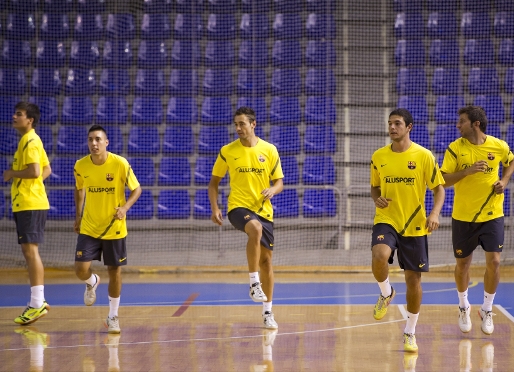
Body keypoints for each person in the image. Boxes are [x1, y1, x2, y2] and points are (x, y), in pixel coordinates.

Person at [370, 108, 445, 352]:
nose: (392, 127)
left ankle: (410, 332)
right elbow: (374, 187)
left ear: (409, 127)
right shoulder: (379, 156)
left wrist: (434, 213)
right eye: (390, 123)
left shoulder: (423, 156)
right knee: (380, 255)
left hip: (414, 223)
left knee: (414, 280)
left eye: (397, 123)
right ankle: (386, 292)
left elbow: (439, 189)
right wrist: (377, 199)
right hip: (387, 218)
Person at [440, 106, 514, 335]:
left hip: (492, 214)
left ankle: (487, 309)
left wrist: (504, 181)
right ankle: (464, 306)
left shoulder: (498, 145)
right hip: (463, 217)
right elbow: (442, 179)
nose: (457, 125)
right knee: (463, 266)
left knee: (494, 263)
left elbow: (511, 161)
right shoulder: (454, 149)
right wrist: (467, 172)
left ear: (475, 124)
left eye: (461, 121)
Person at [208, 106, 284, 329]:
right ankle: (253, 283)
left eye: (242, 124)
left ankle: (268, 312)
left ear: (253, 124)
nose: (238, 128)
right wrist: (214, 208)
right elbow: (213, 183)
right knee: (255, 228)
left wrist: (273, 190)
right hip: (237, 208)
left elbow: (279, 181)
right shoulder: (227, 151)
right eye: (236, 124)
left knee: (267, 262)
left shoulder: (269, 150)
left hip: (263, 210)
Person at [73, 124, 141, 334]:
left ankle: (113, 316)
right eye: (91, 139)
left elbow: (137, 189)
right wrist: (78, 215)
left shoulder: (119, 163)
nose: (94, 143)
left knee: (115, 272)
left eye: (98, 139)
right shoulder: (81, 165)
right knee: (80, 269)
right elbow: (79, 189)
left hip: (114, 227)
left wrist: (125, 208)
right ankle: (92, 281)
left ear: (106, 142)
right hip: (89, 226)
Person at [3, 102, 52, 325]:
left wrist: (12, 173)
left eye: (19, 114)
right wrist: (34, 186)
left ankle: (37, 303)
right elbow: (46, 169)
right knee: (28, 250)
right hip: (27, 202)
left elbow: (34, 171)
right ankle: (36, 302)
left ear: (29, 120)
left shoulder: (30, 141)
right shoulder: (31, 140)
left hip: (30, 204)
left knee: (31, 251)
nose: (14, 117)